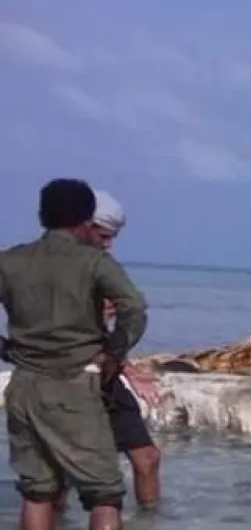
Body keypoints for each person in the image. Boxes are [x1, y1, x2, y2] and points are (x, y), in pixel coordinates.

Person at [0, 179, 149, 530]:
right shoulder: (94, 262)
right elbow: (134, 307)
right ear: (86, 221)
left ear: (42, 215)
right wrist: (114, 353)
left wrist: (5, 349)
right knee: (104, 494)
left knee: (37, 491)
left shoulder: (10, 261)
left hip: (23, 386)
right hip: (74, 384)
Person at [86, 189, 163, 511]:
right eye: (104, 236)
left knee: (147, 457)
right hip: (73, 376)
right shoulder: (53, 270)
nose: (108, 245)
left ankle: (150, 528)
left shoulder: (102, 268)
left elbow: (101, 332)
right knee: (57, 474)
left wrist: (126, 368)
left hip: (105, 374)